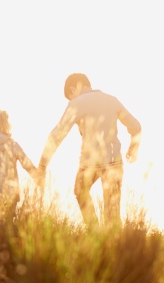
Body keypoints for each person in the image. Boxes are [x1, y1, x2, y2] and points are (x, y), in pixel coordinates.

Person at [37, 73, 141, 228]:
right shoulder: (111, 100)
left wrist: (43, 165)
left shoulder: (76, 103)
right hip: (114, 162)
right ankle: (116, 246)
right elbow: (136, 126)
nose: (71, 100)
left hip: (89, 164)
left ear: (73, 89)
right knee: (113, 214)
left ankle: (94, 231)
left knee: (80, 191)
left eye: (70, 96)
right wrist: (133, 147)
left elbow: (57, 135)